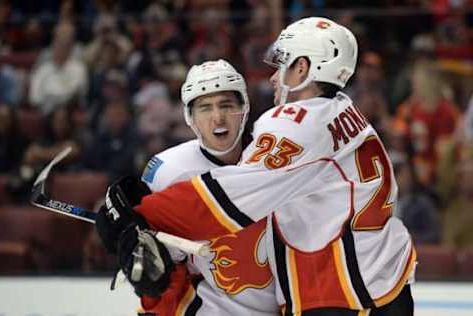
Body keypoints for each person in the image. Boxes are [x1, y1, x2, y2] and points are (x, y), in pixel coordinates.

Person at [101, 17, 416, 315]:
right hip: (387, 277)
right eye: (205, 107)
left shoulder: (294, 123)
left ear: (303, 68)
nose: (274, 76)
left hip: (341, 292)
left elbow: (226, 197)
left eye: (283, 65)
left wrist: (139, 214)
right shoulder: (344, 109)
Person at [97, 60, 279, 315]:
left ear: (245, 108)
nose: (217, 117)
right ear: (190, 118)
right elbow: (157, 261)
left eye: (227, 105)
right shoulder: (168, 172)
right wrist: (134, 244)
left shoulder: (276, 154)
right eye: (205, 108)